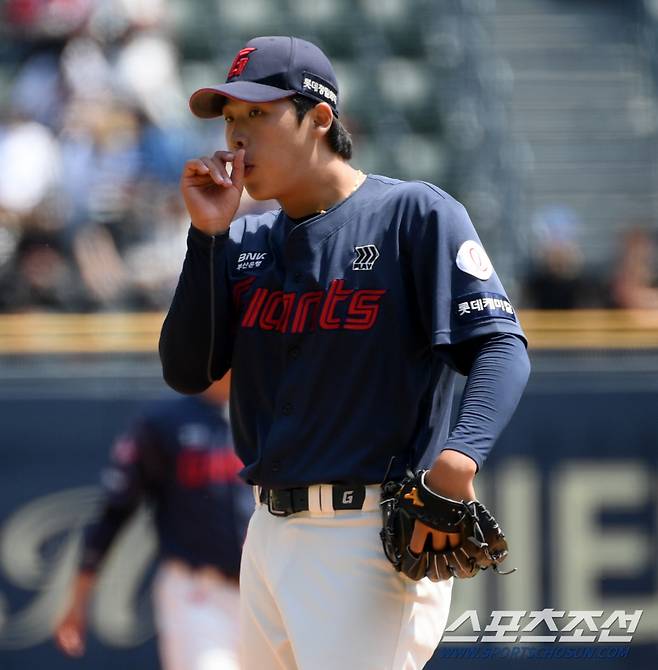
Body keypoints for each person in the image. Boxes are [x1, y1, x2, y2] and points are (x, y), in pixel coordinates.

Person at [159, 36, 531, 670]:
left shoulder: (412, 214)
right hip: (266, 534)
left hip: (363, 538)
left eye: (258, 113)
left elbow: (501, 346)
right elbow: (187, 370)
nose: (237, 135)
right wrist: (208, 239)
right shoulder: (244, 240)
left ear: (321, 117)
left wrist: (459, 458)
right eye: (230, 117)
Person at [54, 376, 252, 670]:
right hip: (199, 592)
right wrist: (78, 597)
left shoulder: (272, 415)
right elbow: (115, 512)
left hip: (267, 591)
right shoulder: (164, 421)